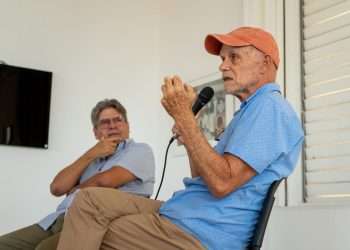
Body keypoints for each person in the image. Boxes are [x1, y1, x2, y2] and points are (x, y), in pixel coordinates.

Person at [56, 26, 304, 250]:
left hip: (199, 234)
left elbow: (222, 183)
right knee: (87, 200)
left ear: (265, 64)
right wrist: (189, 131)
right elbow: (203, 178)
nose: (223, 66)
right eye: (222, 58)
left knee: (91, 230)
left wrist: (184, 117)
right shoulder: (250, 111)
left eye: (234, 57)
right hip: (185, 214)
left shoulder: (271, 108)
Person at [0, 98, 155, 250]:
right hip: (57, 219)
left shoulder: (140, 150)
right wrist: (91, 153)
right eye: (105, 122)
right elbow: (57, 188)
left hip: (94, 223)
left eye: (118, 120)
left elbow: (105, 182)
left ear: (127, 126)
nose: (112, 126)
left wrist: (76, 189)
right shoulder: (92, 158)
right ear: (95, 132)